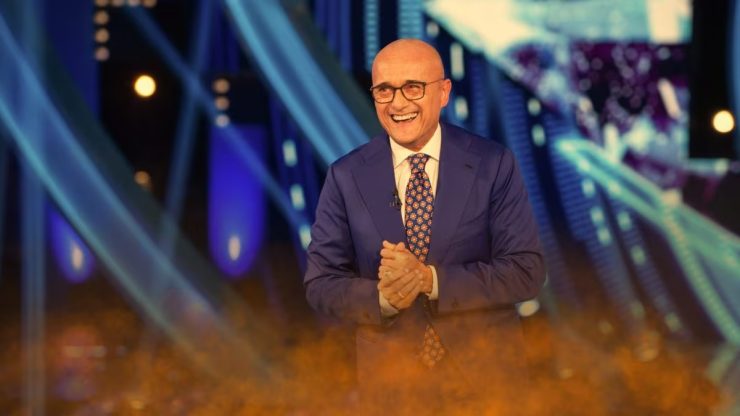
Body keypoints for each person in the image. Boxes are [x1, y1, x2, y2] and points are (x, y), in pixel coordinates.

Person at [304, 38, 546, 413]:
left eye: (413, 87)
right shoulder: (346, 176)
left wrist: (429, 280)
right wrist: (383, 298)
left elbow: (525, 271)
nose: (398, 103)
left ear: (443, 92)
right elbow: (321, 284)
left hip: (487, 386)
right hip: (393, 391)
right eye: (384, 90)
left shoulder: (492, 164)